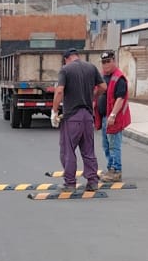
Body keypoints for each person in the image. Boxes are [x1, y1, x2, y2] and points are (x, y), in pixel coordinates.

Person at [51, 49, 103, 190]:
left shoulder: (66, 70)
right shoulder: (91, 67)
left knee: (68, 151)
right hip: (87, 116)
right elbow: (103, 86)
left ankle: (70, 183)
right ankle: (92, 181)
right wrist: (93, 97)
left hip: (72, 117)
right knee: (88, 151)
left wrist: (54, 111)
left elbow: (60, 91)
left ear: (66, 58)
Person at [97, 50, 131, 181]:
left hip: (114, 118)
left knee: (114, 145)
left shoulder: (119, 77)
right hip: (105, 116)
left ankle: (116, 171)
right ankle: (110, 169)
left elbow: (120, 98)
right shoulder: (103, 77)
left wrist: (113, 115)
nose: (106, 65)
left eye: (108, 62)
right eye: (103, 62)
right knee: (106, 145)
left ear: (114, 61)